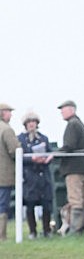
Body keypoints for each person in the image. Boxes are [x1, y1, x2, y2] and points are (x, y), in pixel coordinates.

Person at [57, 99, 84, 234]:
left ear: (71, 110)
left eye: (63, 109)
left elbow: (69, 146)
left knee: (75, 199)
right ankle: (82, 227)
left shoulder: (72, 125)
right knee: (83, 199)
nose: (61, 112)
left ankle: (75, 229)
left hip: (74, 169)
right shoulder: (81, 124)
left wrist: (54, 155)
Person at [18, 112, 54, 238]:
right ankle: (32, 231)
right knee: (30, 204)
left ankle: (46, 230)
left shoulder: (43, 138)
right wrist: (32, 159)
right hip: (29, 177)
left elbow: (50, 152)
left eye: (33, 122)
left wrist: (48, 158)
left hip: (43, 176)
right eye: (29, 122)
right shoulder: (20, 139)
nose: (31, 124)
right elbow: (19, 157)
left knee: (46, 204)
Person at [0, 102, 20, 242]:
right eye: (9, 111)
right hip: (4, 175)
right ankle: (1, 235)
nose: (11, 115)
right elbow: (15, 150)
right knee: (2, 204)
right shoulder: (6, 130)